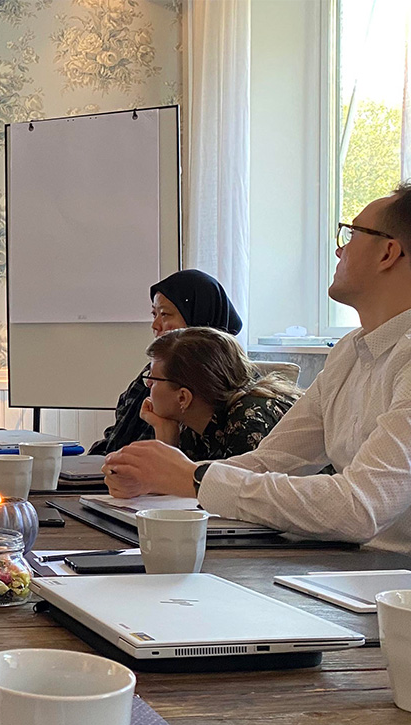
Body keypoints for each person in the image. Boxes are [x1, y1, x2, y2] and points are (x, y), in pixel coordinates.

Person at [105, 185, 411, 554]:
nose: (339, 249)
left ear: (388, 252)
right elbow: (270, 462)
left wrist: (195, 478)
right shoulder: (349, 351)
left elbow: (360, 506)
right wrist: (164, 477)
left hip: (392, 584)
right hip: (348, 569)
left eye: (351, 233)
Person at [89, 269, 243, 455]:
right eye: (154, 314)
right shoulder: (152, 374)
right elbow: (117, 435)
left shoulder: (221, 387)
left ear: (199, 319)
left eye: (165, 315)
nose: (155, 325)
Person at [138, 327, 300, 461]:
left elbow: (232, 494)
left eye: (153, 378)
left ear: (183, 397)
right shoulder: (194, 422)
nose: (148, 384)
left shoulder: (248, 420)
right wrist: (165, 434)